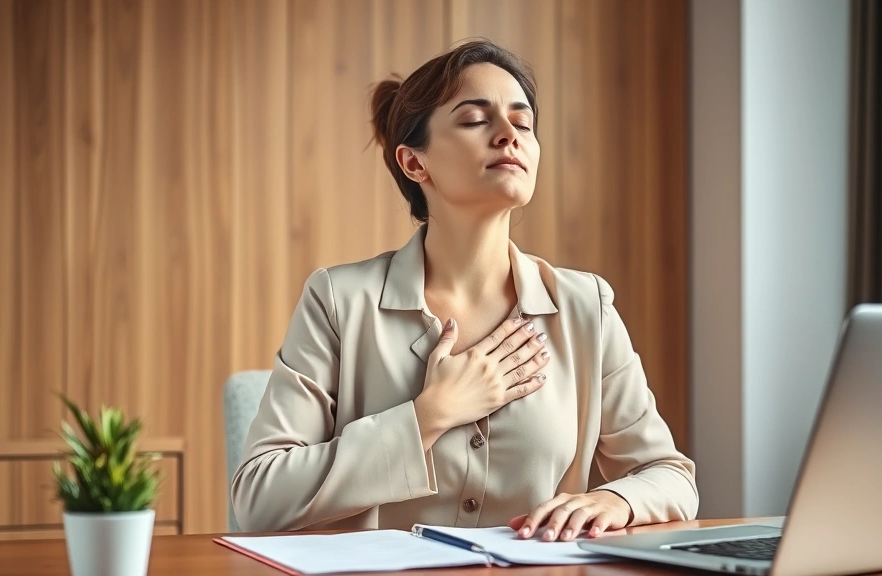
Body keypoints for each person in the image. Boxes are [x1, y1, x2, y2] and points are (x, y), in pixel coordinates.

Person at [231, 39, 698, 542]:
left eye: (523, 123)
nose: (508, 136)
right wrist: (431, 415)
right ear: (414, 164)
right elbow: (259, 498)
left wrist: (616, 499)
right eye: (477, 120)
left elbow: (670, 477)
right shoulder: (338, 301)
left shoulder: (587, 308)